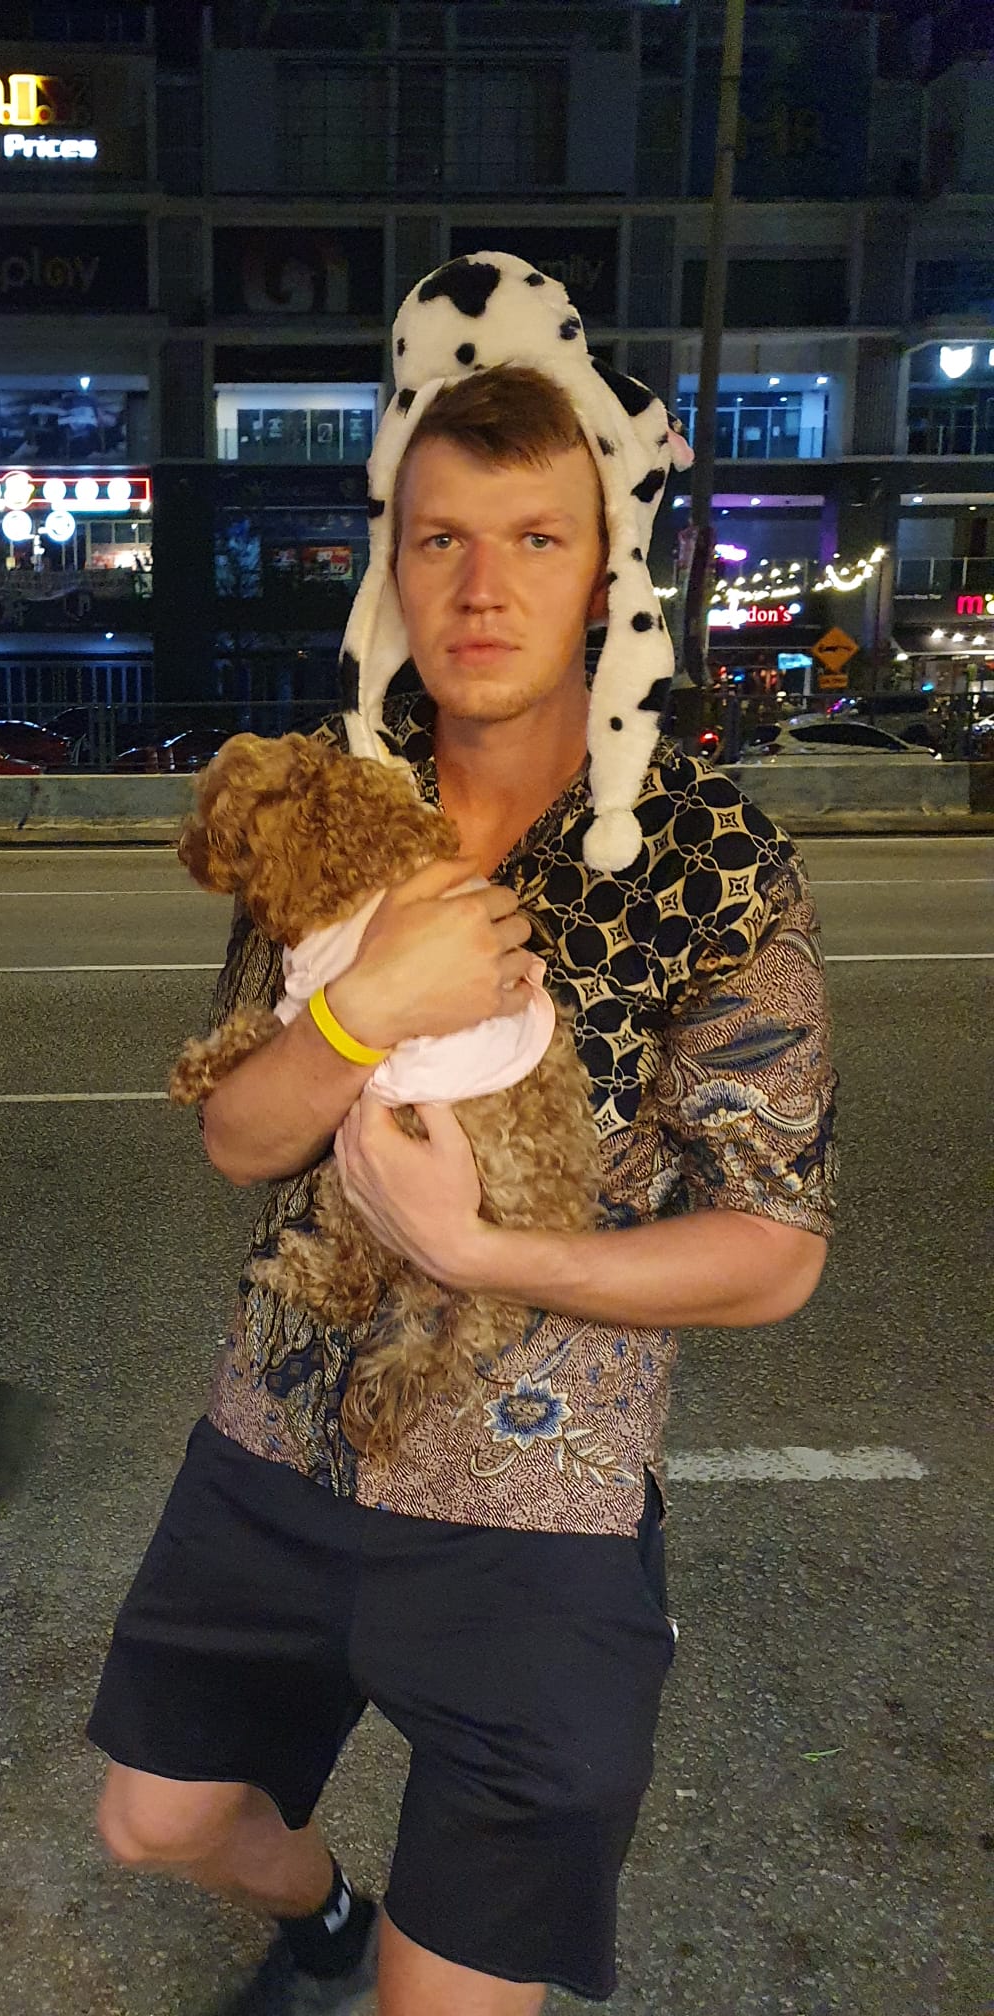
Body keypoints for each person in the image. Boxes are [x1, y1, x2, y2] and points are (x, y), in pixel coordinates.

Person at [88, 254, 837, 2014]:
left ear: (607, 572)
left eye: (534, 539)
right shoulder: (341, 806)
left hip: (536, 1504)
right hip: (278, 1438)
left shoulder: (712, 860)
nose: (482, 588)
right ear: (394, 563)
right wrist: (366, 1006)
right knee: (153, 1820)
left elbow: (774, 1248)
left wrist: (483, 1249)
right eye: (441, 540)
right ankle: (326, 1916)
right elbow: (241, 1135)